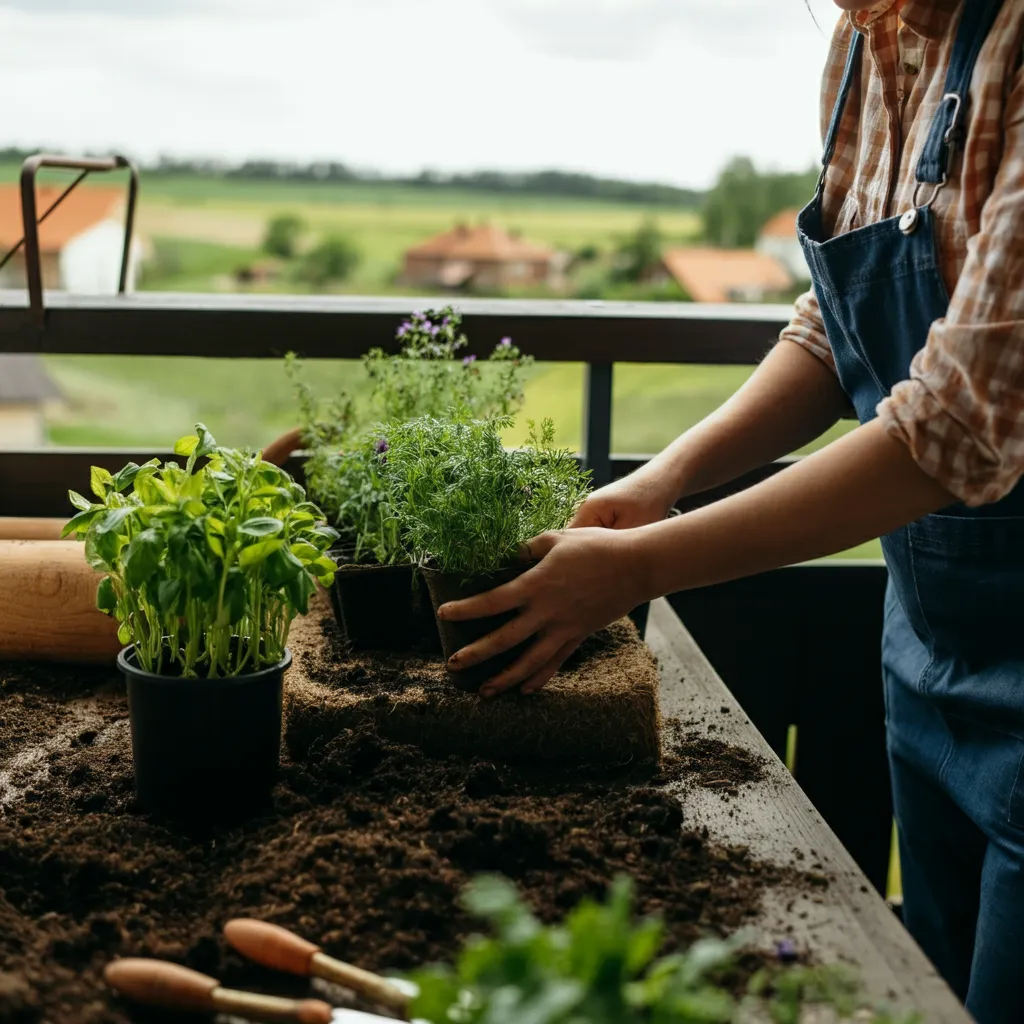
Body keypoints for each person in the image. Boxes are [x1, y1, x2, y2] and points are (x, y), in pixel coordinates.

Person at [437, 2, 1024, 1020]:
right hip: (924, 655)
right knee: (937, 985)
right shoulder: (863, 41)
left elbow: (956, 427)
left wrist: (636, 568)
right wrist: (658, 483)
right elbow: (830, 331)